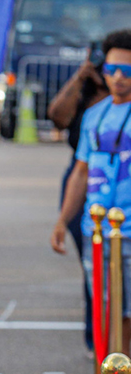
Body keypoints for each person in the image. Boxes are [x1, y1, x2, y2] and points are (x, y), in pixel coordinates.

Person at [52, 29, 131, 354]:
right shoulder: (94, 116)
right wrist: (61, 221)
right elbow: (81, 171)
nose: (117, 78)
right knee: (104, 310)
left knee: (127, 315)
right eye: (110, 70)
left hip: (128, 230)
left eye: (126, 71)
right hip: (95, 231)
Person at [47, 48, 108, 345]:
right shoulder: (87, 96)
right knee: (93, 263)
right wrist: (81, 76)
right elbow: (56, 116)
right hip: (83, 175)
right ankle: (95, 337)